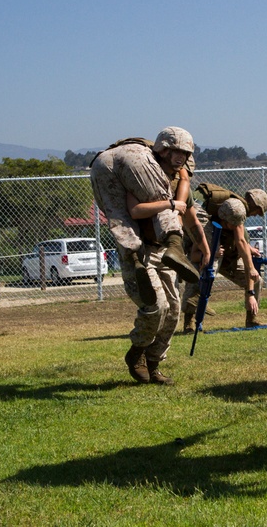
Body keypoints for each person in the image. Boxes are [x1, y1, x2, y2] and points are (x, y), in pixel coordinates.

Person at [90, 127, 210, 385]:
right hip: (145, 248)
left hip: (163, 251)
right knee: (157, 306)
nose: (181, 159)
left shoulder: (178, 179)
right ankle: (137, 354)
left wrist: (202, 243)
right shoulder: (140, 176)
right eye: (177, 152)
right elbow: (134, 210)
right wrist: (169, 205)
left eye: (185, 154)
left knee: (174, 309)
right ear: (164, 149)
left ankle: (154, 363)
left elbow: (188, 213)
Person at [180, 185, 267, 329]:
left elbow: (242, 247)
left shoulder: (239, 226)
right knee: (203, 271)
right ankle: (190, 322)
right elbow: (194, 255)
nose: (254, 215)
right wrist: (210, 254)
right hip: (214, 259)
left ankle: (251, 319)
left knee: (257, 281)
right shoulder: (209, 227)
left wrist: (251, 293)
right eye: (257, 212)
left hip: (229, 262)